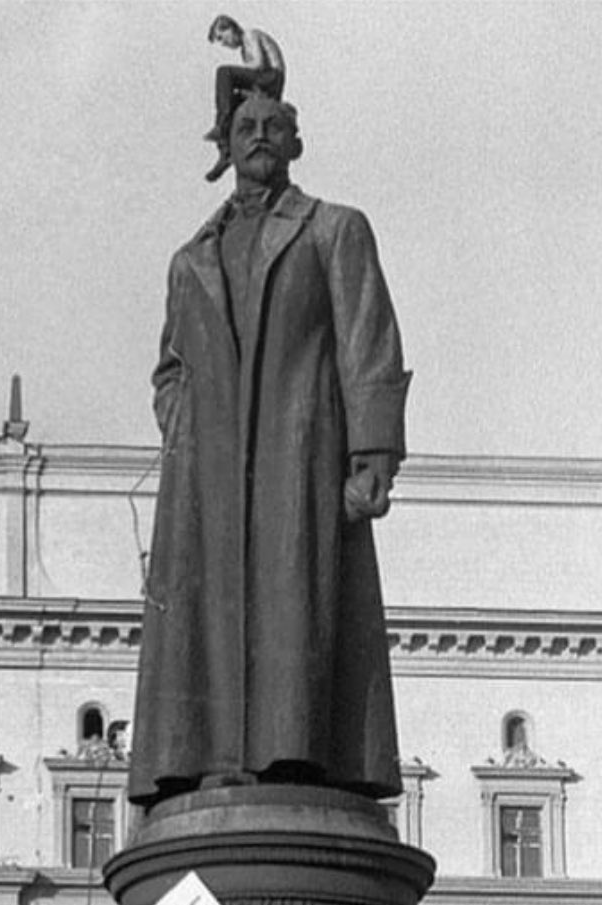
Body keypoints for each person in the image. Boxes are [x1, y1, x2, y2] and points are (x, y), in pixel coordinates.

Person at [128, 88, 410, 809]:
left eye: (272, 127)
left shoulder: (332, 230)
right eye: (243, 127)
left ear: (294, 144)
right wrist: (185, 424)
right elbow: (168, 366)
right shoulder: (189, 258)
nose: (258, 136)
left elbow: (366, 340)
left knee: (298, 600)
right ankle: (208, 757)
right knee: (207, 613)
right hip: (208, 474)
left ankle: (296, 758)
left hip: (299, 453)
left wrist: (370, 451)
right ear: (223, 146)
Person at [204, 15, 286, 181]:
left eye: (222, 37)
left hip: (271, 77)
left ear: (230, 29)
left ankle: (222, 125)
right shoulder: (243, 49)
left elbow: (258, 64)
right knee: (231, 100)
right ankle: (225, 151)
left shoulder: (250, 35)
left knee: (224, 73)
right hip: (262, 83)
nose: (224, 43)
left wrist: (235, 78)